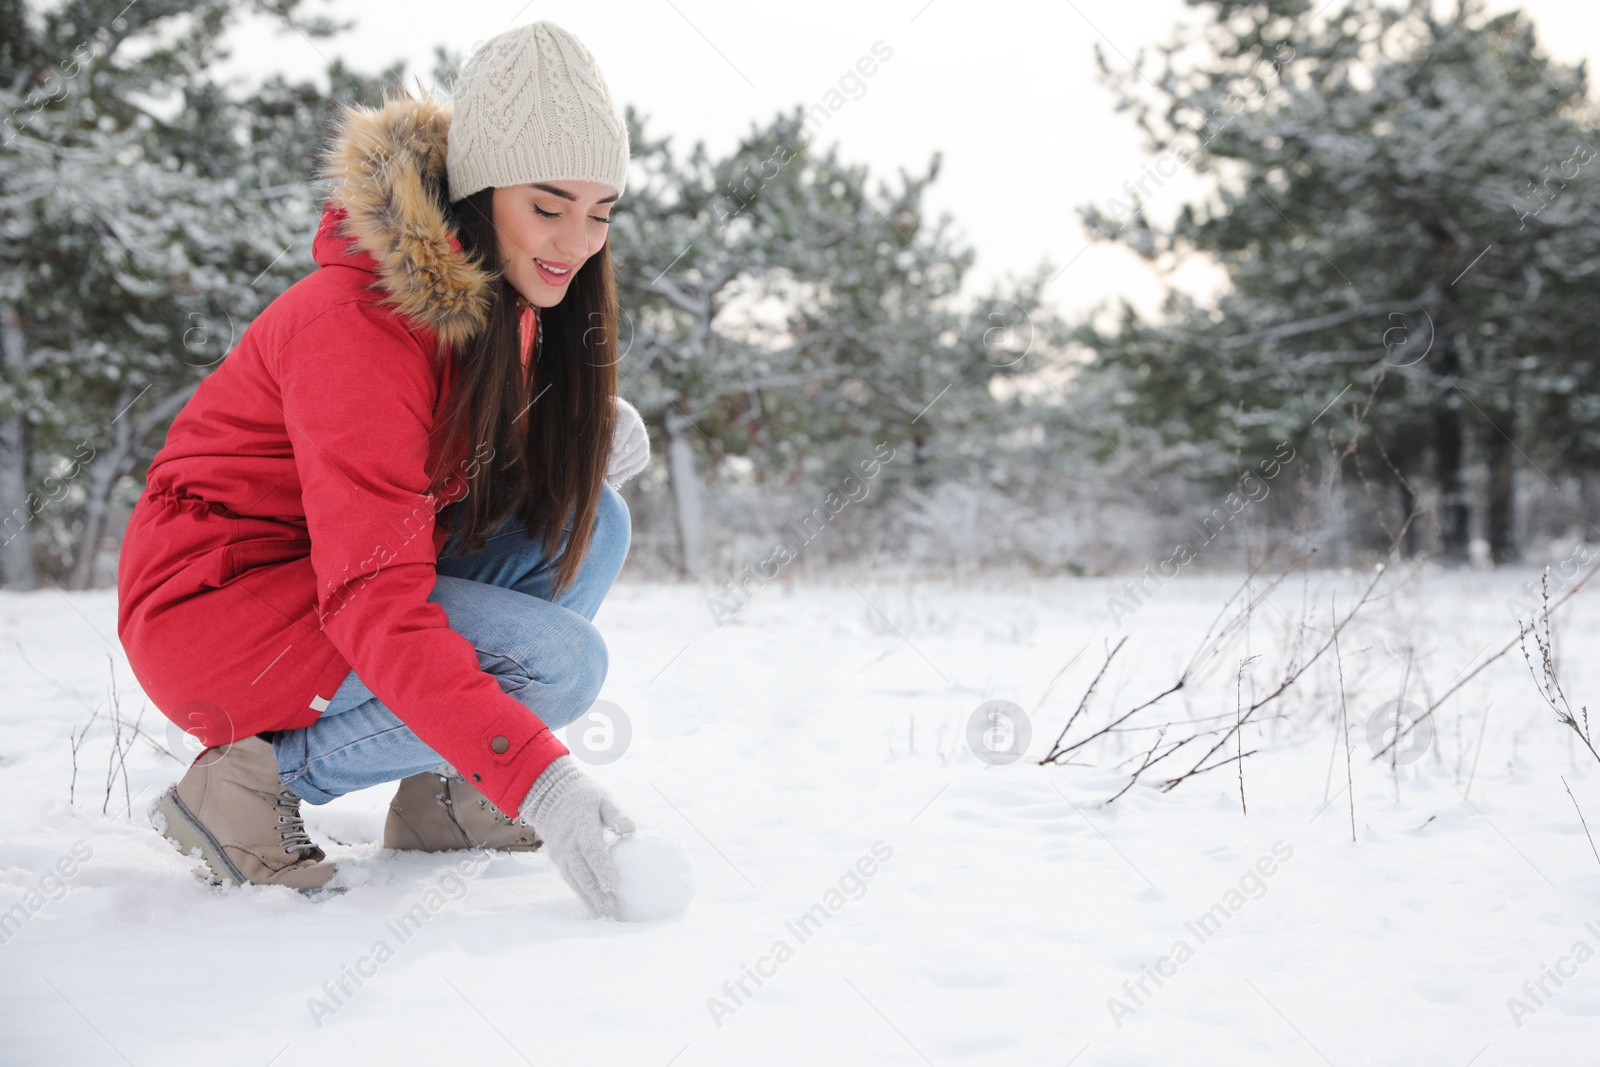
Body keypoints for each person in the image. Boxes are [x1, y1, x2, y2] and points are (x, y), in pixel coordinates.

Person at [115, 21, 649, 918]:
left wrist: (565, 429)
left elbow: (434, 464)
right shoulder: (353, 322)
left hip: (322, 577)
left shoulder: (502, 300)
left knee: (591, 519)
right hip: (220, 607)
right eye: (549, 205)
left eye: (601, 212)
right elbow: (373, 593)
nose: (576, 241)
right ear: (480, 194)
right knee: (560, 666)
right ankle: (249, 784)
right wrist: (539, 779)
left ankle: (447, 793)